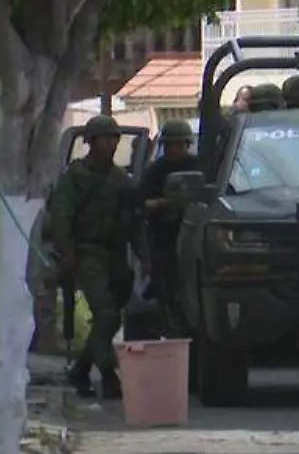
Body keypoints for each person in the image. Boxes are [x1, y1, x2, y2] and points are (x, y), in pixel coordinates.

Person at [45, 115, 150, 399]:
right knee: (105, 313)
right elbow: (61, 217)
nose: (111, 144)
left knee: (113, 317)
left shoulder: (120, 180)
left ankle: (81, 369)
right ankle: (107, 371)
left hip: (114, 253)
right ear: (91, 142)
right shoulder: (76, 177)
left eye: (114, 138)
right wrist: (66, 253)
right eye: (105, 138)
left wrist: (144, 257)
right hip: (86, 251)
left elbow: (134, 221)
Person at [137, 120, 201, 337]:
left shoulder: (198, 166)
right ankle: (171, 326)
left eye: (179, 144)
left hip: (194, 235)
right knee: (165, 287)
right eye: (171, 144)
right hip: (164, 236)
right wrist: (161, 204)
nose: (175, 149)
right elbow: (140, 203)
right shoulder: (156, 171)